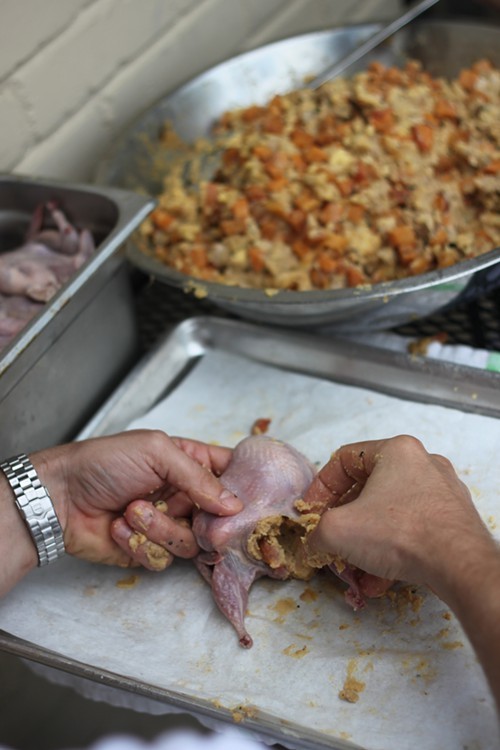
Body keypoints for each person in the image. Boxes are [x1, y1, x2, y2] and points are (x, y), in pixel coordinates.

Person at [0, 431, 499, 750]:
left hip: (256, 515)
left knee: (219, 541)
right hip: (243, 524)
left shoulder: (227, 536)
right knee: (220, 541)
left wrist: (58, 492)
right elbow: (220, 539)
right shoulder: (222, 537)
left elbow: (223, 540)